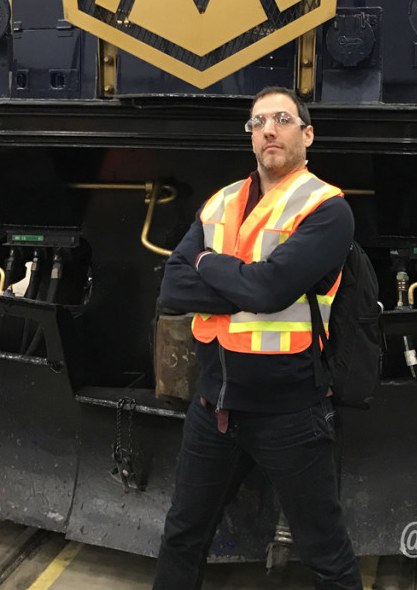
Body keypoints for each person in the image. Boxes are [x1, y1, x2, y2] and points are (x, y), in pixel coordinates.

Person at [152, 86, 362, 590]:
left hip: (288, 413)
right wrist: (240, 281)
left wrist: (208, 265)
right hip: (214, 407)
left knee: (325, 550)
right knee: (183, 536)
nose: (269, 129)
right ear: (250, 136)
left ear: (306, 135)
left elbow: (269, 291)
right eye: (258, 121)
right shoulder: (222, 201)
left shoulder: (327, 209)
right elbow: (172, 286)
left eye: (283, 119)